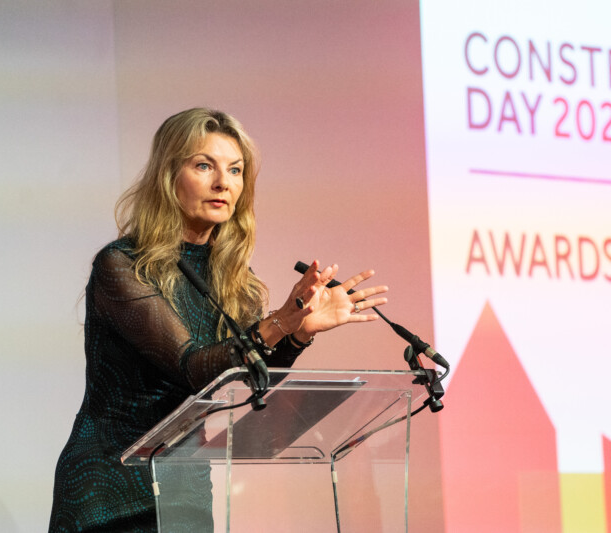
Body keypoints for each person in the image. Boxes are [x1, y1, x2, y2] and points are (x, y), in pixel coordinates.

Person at [48, 108, 388, 532]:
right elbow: (194, 368)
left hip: (184, 490)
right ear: (169, 176)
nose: (223, 183)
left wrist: (297, 335)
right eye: (204, 165)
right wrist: (279, 321)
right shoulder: (123, 266)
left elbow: (242, 379)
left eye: (235, 170)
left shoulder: (235, 284)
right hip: (110, 492)